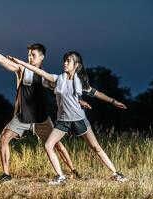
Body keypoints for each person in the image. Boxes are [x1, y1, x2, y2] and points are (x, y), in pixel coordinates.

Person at [0, 39, 80, 182]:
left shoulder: (45, 76)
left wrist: (78, 100)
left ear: (42, 57)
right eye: (29, 55)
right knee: (4, 137)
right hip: (22, 117)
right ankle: (6, 175)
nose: (30, 57)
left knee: (57, 145)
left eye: (33, 55)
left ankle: (74, 171)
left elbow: (64, 90)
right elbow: (0, 58)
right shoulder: (21, 69)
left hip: (41, 119)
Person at [7, 51, 128, 185]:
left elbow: (96, 93)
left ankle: (116, 173)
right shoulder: (58, 79)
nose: (65, 63)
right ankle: (61, 177)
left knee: (96, 148)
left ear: (76, 65)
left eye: (68, 61)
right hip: (63, 121)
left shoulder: (81, 82)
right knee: (48, 145)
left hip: (79, 120)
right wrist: (22, 63)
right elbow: (39, 72)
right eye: (64, 60)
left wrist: (113, 101)